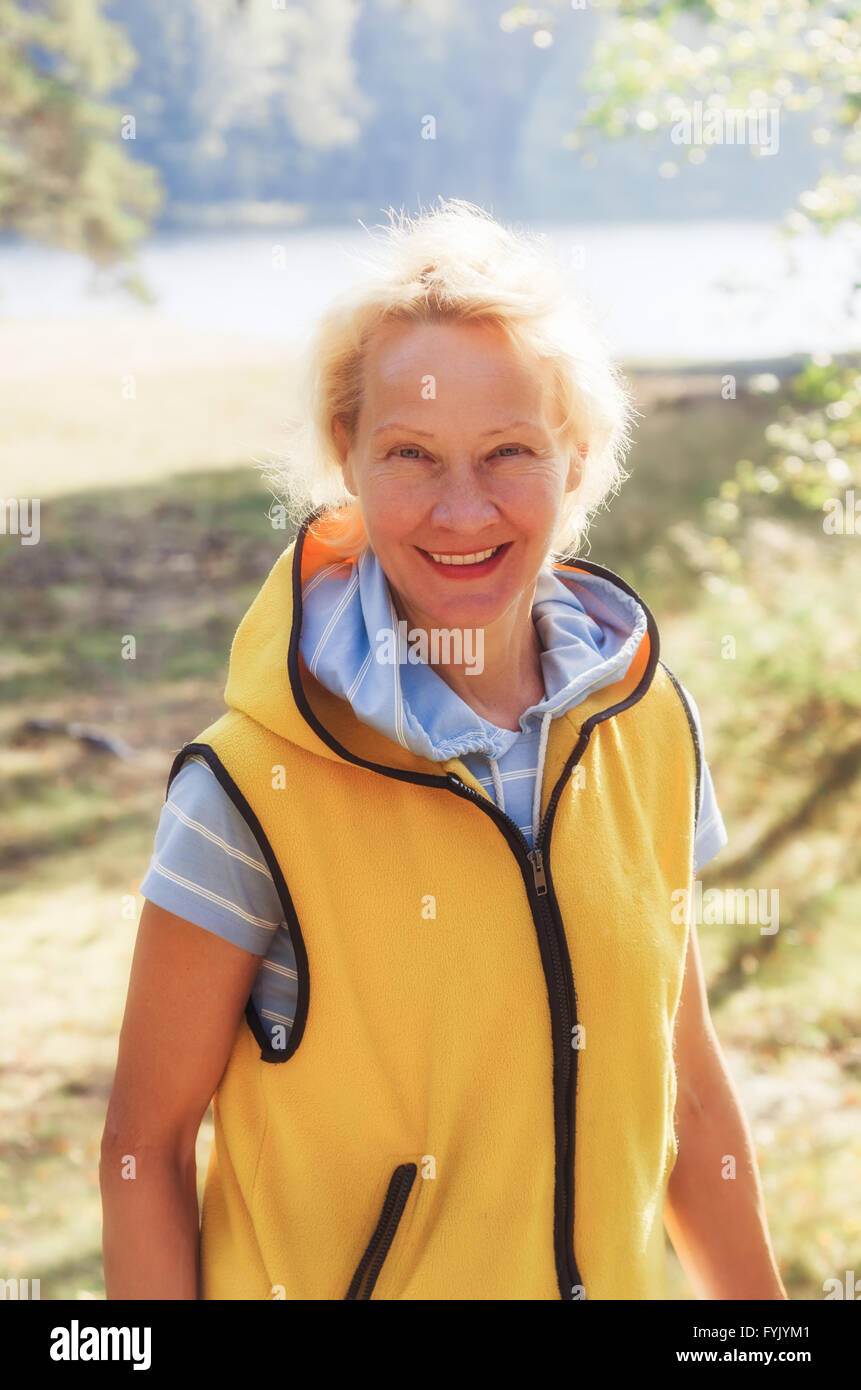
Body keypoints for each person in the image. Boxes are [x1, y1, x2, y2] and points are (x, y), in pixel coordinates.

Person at [100, 198, 787, 1301]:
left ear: (576, 462)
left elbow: (687, 1089)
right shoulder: (246, 789)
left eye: (509, 451)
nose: (462, 510)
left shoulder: (648, 723)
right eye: (412, 454)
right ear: (348, 460)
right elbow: (142, 1149)